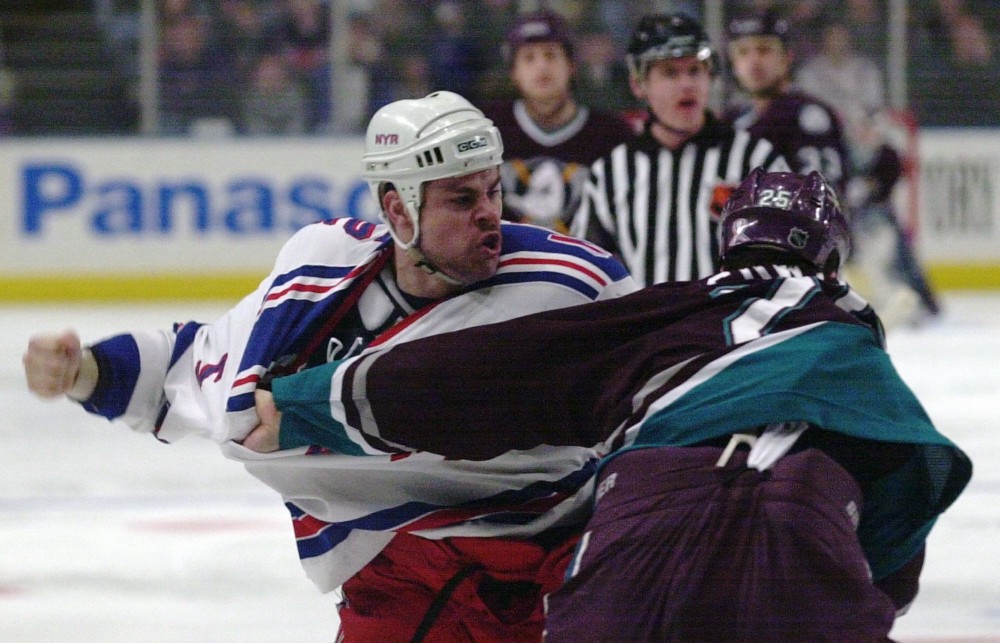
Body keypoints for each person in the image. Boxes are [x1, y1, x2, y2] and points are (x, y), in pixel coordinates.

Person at [247, 168, 972, 640]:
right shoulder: (853, 343)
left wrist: (312, 399)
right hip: (806, 512)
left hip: (649, 511)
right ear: (832, 257)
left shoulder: (665, 313)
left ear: (729, 244)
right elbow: (906, 505)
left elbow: (489, 373)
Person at [23, 91, 638, 642]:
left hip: (559, 573)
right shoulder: (321, 269)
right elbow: (199, 362)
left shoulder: (569, 286)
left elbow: (657, 398)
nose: (490, 214)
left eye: (493, 190)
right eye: (461, 198)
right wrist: (84, 373)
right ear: (399, 213)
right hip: (403, 581)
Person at [570, 12, 789, 287]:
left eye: (695, 70)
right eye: (670, 73)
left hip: (731, 327)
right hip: (648, 329)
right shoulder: (610, 174)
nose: (687, 84)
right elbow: (584, 274)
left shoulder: (758, 162)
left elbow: (792, 264)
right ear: (638, 84)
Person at [478, 10, 634, 231]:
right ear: (514, 72)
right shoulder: (486, 129)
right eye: (529, 57)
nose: (541, 66)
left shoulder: (612, 134)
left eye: (551, 55)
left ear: (571, 66)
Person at [723, 9, 850, 197]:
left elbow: (822, 196)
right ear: (733, 65)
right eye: (743, 52)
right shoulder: (730, 119)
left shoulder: (807, 115)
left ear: (786, 58)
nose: (754, 61)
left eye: (764, 50)